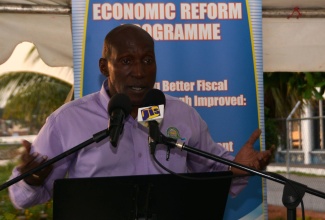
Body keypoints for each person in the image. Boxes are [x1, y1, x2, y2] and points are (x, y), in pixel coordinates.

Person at [8, 24, 273, 209]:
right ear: (104, 66)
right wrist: (31, 180)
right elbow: (23, 197)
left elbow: (213, 173)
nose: (139, 72)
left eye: (147, 60)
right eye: (126, 61)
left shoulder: (181, 115)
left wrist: (236, 168)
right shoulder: (67, 121)